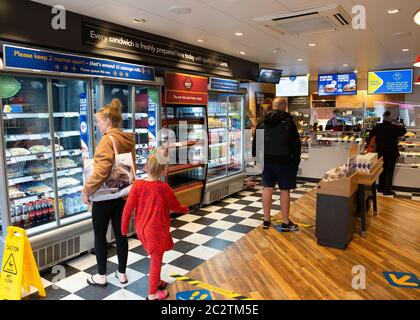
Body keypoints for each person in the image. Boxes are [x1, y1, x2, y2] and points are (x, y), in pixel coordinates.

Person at [121, 148, 189, 300]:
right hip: (156, 230)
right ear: (164, 170)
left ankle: (157, 281)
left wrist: (123, 229)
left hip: (142, 230)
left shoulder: (138, 185)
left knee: (155, 256)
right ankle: (152, 293)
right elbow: (175, 205)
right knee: (156, 261)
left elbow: (127, 209)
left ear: (146, 167)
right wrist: (184, 209)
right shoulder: (163, 188)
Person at [81, 99, 135, 287]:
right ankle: (122, 274)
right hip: (123, 195)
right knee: (121, 235)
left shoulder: (106, 140)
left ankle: (101, 276)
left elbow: (102, 172)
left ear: (107, 121)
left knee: (100, 235)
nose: (97, 125)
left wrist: (87, 190)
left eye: (98, 121)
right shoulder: (126, 138)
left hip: (104, 197)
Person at [252, 97, 301, 231]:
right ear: (284, 107)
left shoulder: (262, 121)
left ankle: (266, 220)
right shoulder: (288, 121)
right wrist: (296, 161)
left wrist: (257, 159)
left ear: (273, 106)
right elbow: (295, 144)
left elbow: (256, 141)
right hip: (285, 161)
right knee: (284, 190)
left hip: (266, 161)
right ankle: (285, 222)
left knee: (267, 188)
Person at [366, 111, 406, 195]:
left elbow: (370, 136)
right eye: (392, 116)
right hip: (391, 153)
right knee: (389, 171)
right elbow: (404, 131)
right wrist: (400, 124)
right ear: (388, 117)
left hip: (380, 152)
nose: (393, 118)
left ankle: (380, 188)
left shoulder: (377, 126)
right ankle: (387, 190)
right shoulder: (394, 127)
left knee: (382, 170)